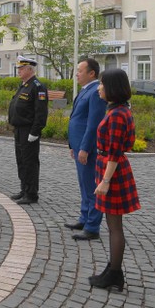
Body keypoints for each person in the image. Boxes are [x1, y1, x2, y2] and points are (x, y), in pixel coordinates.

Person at [89, 68, 141, 292]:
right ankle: (112, 269)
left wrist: (106, 180)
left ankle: (115, 273)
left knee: (114, 226)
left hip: (114, 173)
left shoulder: (118, 114)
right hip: (109, 169)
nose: (99, 88)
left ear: (113, 87)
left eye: (102, 84)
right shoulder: (116, 110)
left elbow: (115, 151)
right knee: (112, 225)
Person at [66, 58, 107, 241]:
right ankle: (84, 218)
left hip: (88, 148)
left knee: (91, 186)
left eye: (80, 70)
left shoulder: (96, 92)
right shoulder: (86, 90)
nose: (77, 74)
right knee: (84, 185)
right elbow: (77, 119)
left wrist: (84, 148)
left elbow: (93, 124)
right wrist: (73, 145)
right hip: (78, 145)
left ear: (91, 73)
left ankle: (92, 226)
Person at [7, 56, 48, 204]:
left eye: (21, 68)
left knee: (29, 162)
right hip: (19, 130)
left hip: (28, 130)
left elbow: (41, 113)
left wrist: (35, 132)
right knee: (21, 161)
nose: (18, 71)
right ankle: (24, 189)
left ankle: (31, 194)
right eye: (18, 68)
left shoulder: (37, 86)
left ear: (30, 69)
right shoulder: (24, 85)